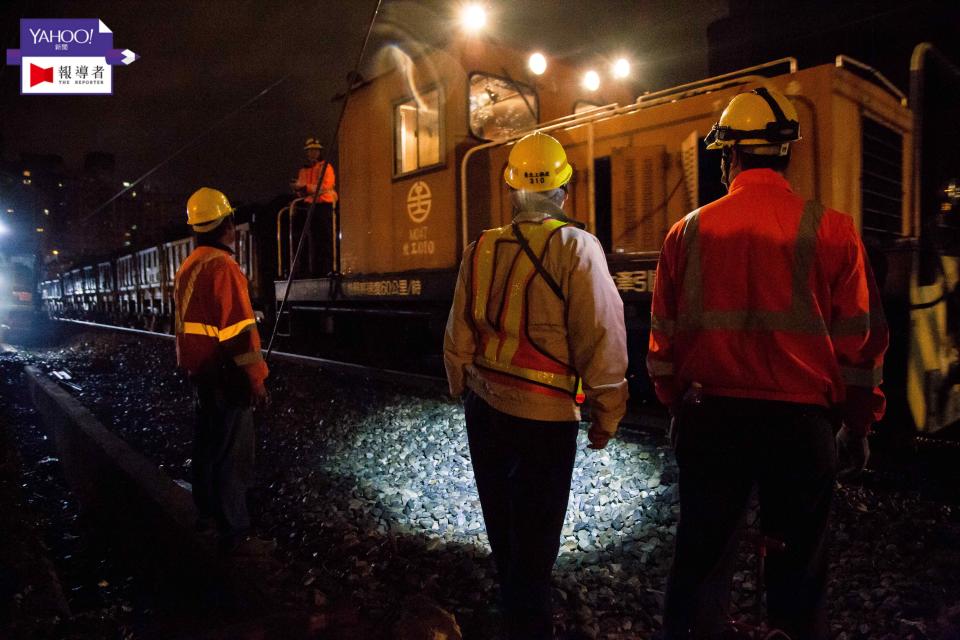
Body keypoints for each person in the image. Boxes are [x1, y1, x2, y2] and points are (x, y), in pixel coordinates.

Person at [647, 87, 889, 639]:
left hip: (713, 417)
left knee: (701, 558)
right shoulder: (833, 230)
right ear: (787, 153)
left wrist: (674, 405)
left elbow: (664, 341)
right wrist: (859, 423)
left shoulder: (685, 232)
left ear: (728, 154)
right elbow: (861, 343)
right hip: (802, 427)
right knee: (799, 568)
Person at [443, 132, 628, 639]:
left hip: (484, 410)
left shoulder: (480, 247)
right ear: (563, 192)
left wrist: (460, 382)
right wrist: (607, 414)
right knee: (537, 538)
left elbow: (457, 336)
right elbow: (602, 336)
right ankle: (529, 626)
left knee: (502, 528)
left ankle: (513, 610)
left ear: (512, 191)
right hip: (544, 420)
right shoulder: (577, 247)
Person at [174, 187, 273, 555]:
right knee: (234, 454)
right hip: (227, 373)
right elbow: (238, 333)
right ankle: (235, 529)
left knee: (207, 447)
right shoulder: (224, 267)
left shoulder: (189, 265)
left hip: (200, 370)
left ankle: (207, 514)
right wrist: (257, 379)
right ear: (227, 224)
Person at [293, 137, 338, 275]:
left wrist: (305, 188)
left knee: (325, 239)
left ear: (319, 152)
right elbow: (302, 191)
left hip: (324, 205)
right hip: (309, 208)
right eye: (310, 150)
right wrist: (297, 189)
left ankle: (328, 270)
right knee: (310, 240)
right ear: (307, 153)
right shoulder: (303, 171)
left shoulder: (326, 167)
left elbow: (325, 187)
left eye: (315, 150)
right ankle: (312, 270)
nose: (313, 153)